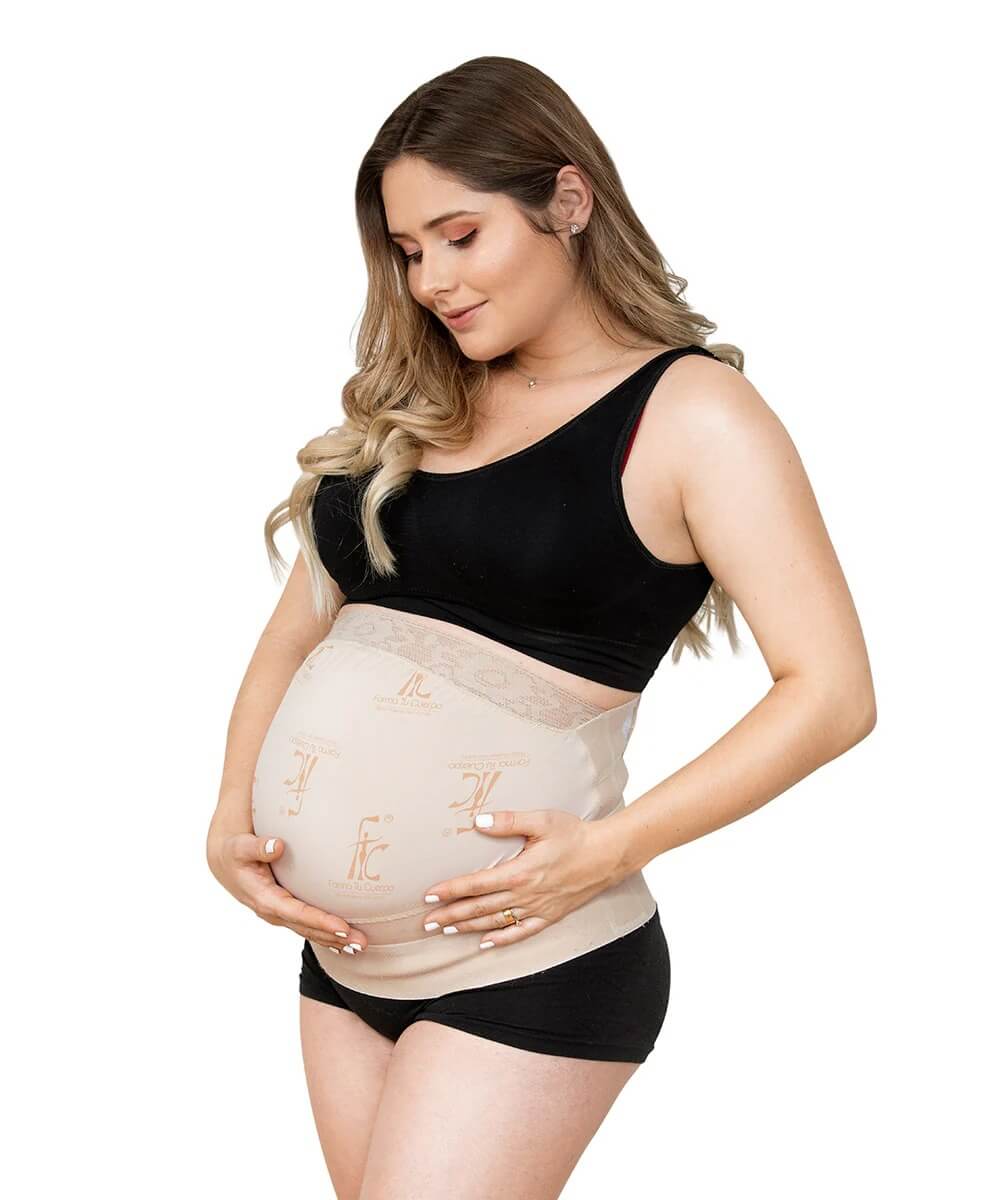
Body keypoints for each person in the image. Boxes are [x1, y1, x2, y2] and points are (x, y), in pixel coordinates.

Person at [205, 55, 876, 1200]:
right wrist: (233, 815)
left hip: (529, 961)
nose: (431, 281)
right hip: (343, 962)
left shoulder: (692, 414)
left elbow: (831, 693)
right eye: (407, 251)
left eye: (460, 236)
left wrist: (612, 849)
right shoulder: (418, 407)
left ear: (567, 201)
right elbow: (292, 640)